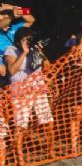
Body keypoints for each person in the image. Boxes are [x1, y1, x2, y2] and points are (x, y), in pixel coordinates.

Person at [4, 28, 54, 158]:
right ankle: (19, 157)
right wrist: (24, 53)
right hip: (21, 92)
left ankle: (51, 151)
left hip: (38, 89)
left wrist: (39, 52)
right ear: (19, 40)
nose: (28, 41)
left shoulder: (34, 49)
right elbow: (12, 71)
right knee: (21, 125)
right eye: (26, 38)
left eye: (30, 38)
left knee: (48, 121)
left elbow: (48, 66)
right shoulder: (11, 50)